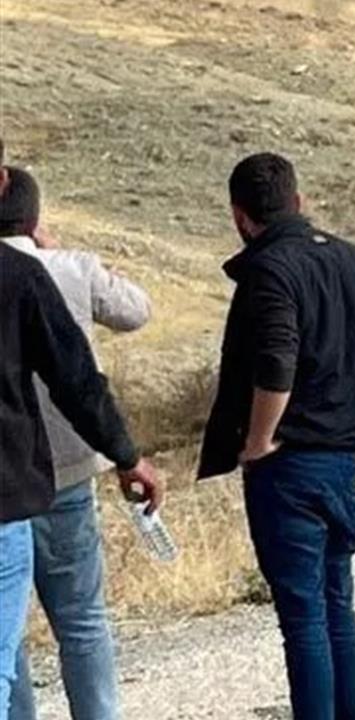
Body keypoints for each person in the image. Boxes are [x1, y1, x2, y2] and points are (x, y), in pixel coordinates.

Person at [198, 153, 355, 720]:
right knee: (337, 603)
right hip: (344, 459)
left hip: (291, 466)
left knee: (303, 622)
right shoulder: (350, 258)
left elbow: (276, 363)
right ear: (298, 202)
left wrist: (259, 440)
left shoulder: (270, 271)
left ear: (241, 217)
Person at [0, 164, 152, 720]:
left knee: (8, 637)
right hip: (65, 472)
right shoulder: (63, 269)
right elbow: (136, 312)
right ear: (34, 217)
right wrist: (126, 455)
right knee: (82, 619)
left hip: (9, 480)